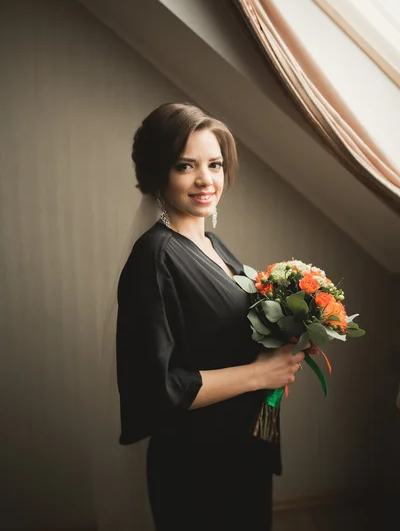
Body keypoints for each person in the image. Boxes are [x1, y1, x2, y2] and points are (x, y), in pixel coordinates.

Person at [116, 103, 307, 531]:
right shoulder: (155, 256)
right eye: (186, 166)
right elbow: (158, 387)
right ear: (157, 172)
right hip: (196, 462)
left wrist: (291, 327)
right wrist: (261, 375)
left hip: (242, 449)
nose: (206, 179)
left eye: (215, 164)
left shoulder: (215, 246)